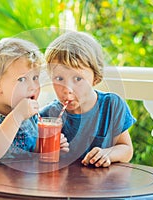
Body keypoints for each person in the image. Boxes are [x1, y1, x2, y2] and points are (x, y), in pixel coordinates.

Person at [0, 38, 69, 165]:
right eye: (22, 79)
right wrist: (17, 115)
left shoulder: (30, 117)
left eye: (35, 78)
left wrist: (49, 147)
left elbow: (31, 154)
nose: (33, 86)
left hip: (20, 184)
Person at [40, 31, 136, 167]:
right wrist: (49, 149)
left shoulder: (112, 106)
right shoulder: (48, 117)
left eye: (78, 79)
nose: (67, 89)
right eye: (59, 78)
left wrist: (108, 153)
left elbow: (126, 149)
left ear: (95, 78)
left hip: (102, 186)